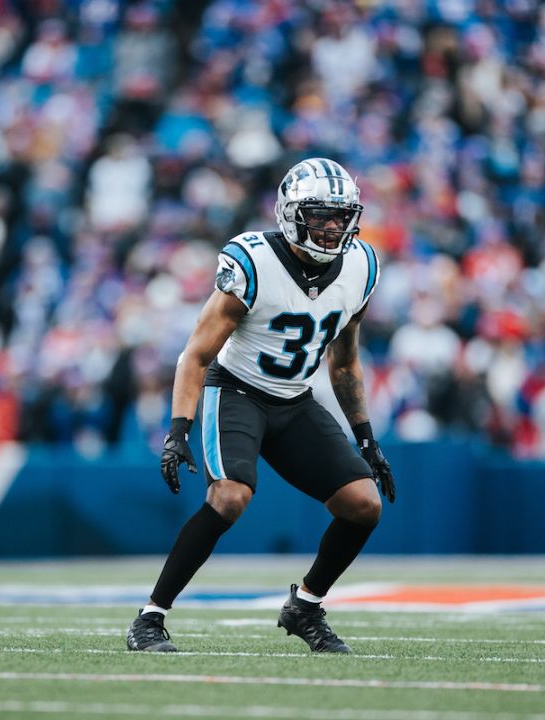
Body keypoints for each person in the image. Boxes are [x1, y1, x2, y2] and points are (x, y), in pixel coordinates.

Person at [127, 159, 397, 654]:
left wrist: (365, 437)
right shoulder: (254, 262)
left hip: (294, 399)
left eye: (342, 215)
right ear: (292, 214)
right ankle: (150, 617)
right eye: (321, 215)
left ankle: (306, 607)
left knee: (363, 505)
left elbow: (344, 362)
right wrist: (177, 429)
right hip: (235, 390)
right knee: (230, 497)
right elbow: (197, 354)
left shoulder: (361, 265)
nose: (335, 226)